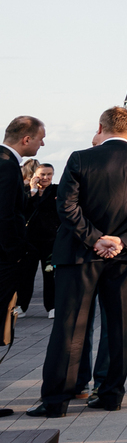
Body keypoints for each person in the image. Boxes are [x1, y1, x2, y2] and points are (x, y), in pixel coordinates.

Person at [32, 106, 127, 416]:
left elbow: (67, 207)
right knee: (120, 327)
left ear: (100, 127)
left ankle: (56, 401)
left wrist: (95, 239)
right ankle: (110, 395)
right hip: (124, 257)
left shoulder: (81, 159)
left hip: (79, 255)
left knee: (70, 326)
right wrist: (124, 241)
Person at [0, 117, 42, 319]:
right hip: (4, 256)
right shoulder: (7, 166)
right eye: (40, 139)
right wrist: (14, 251)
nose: (42, 144)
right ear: (26, 139)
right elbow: (5, 212)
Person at [21, 161, 56, 317]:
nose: (45, 177)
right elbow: (21, 209)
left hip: (50, 239)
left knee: (50, 275)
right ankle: (21, 305)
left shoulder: (57, 190)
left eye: (49, 174)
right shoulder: (27, 192)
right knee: (26, 274)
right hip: (30, 240)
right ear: (35, 175)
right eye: (42, 174)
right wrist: (33, 191)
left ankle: (52, 306)